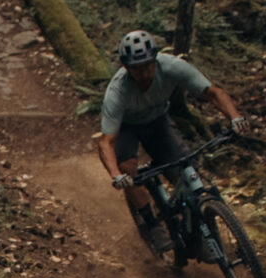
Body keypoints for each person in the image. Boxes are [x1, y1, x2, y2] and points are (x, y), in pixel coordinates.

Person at [97, 30, 249, 255]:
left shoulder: (171, 66)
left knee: (185, 173)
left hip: (158, 120)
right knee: (129, 170)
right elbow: (106, 142)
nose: (144, 73)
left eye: (148, 66)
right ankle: (152, 225)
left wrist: (235, 118)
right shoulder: (117, 90)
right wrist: (116, 175)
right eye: (137, 69)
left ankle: (196, 229)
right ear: (126, 68)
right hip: (127, 127)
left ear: (155, 60)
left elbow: (213, 93)